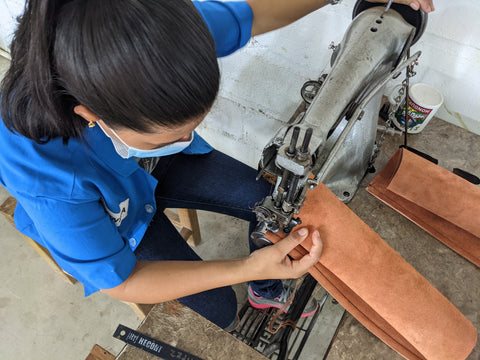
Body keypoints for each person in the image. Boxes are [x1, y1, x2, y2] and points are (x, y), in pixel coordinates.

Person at [0, 0, 434, 331]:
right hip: (114, 217)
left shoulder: (154, 41)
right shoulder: (45, 176)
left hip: (154, 168)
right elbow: (122, 282)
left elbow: (255, 11)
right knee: (219, 310)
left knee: (271, 204)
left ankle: (267, 295)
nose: (184, 138)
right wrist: (247, 268)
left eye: (193, 126)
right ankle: (255, 287)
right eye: (169, 135)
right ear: (91, 114)